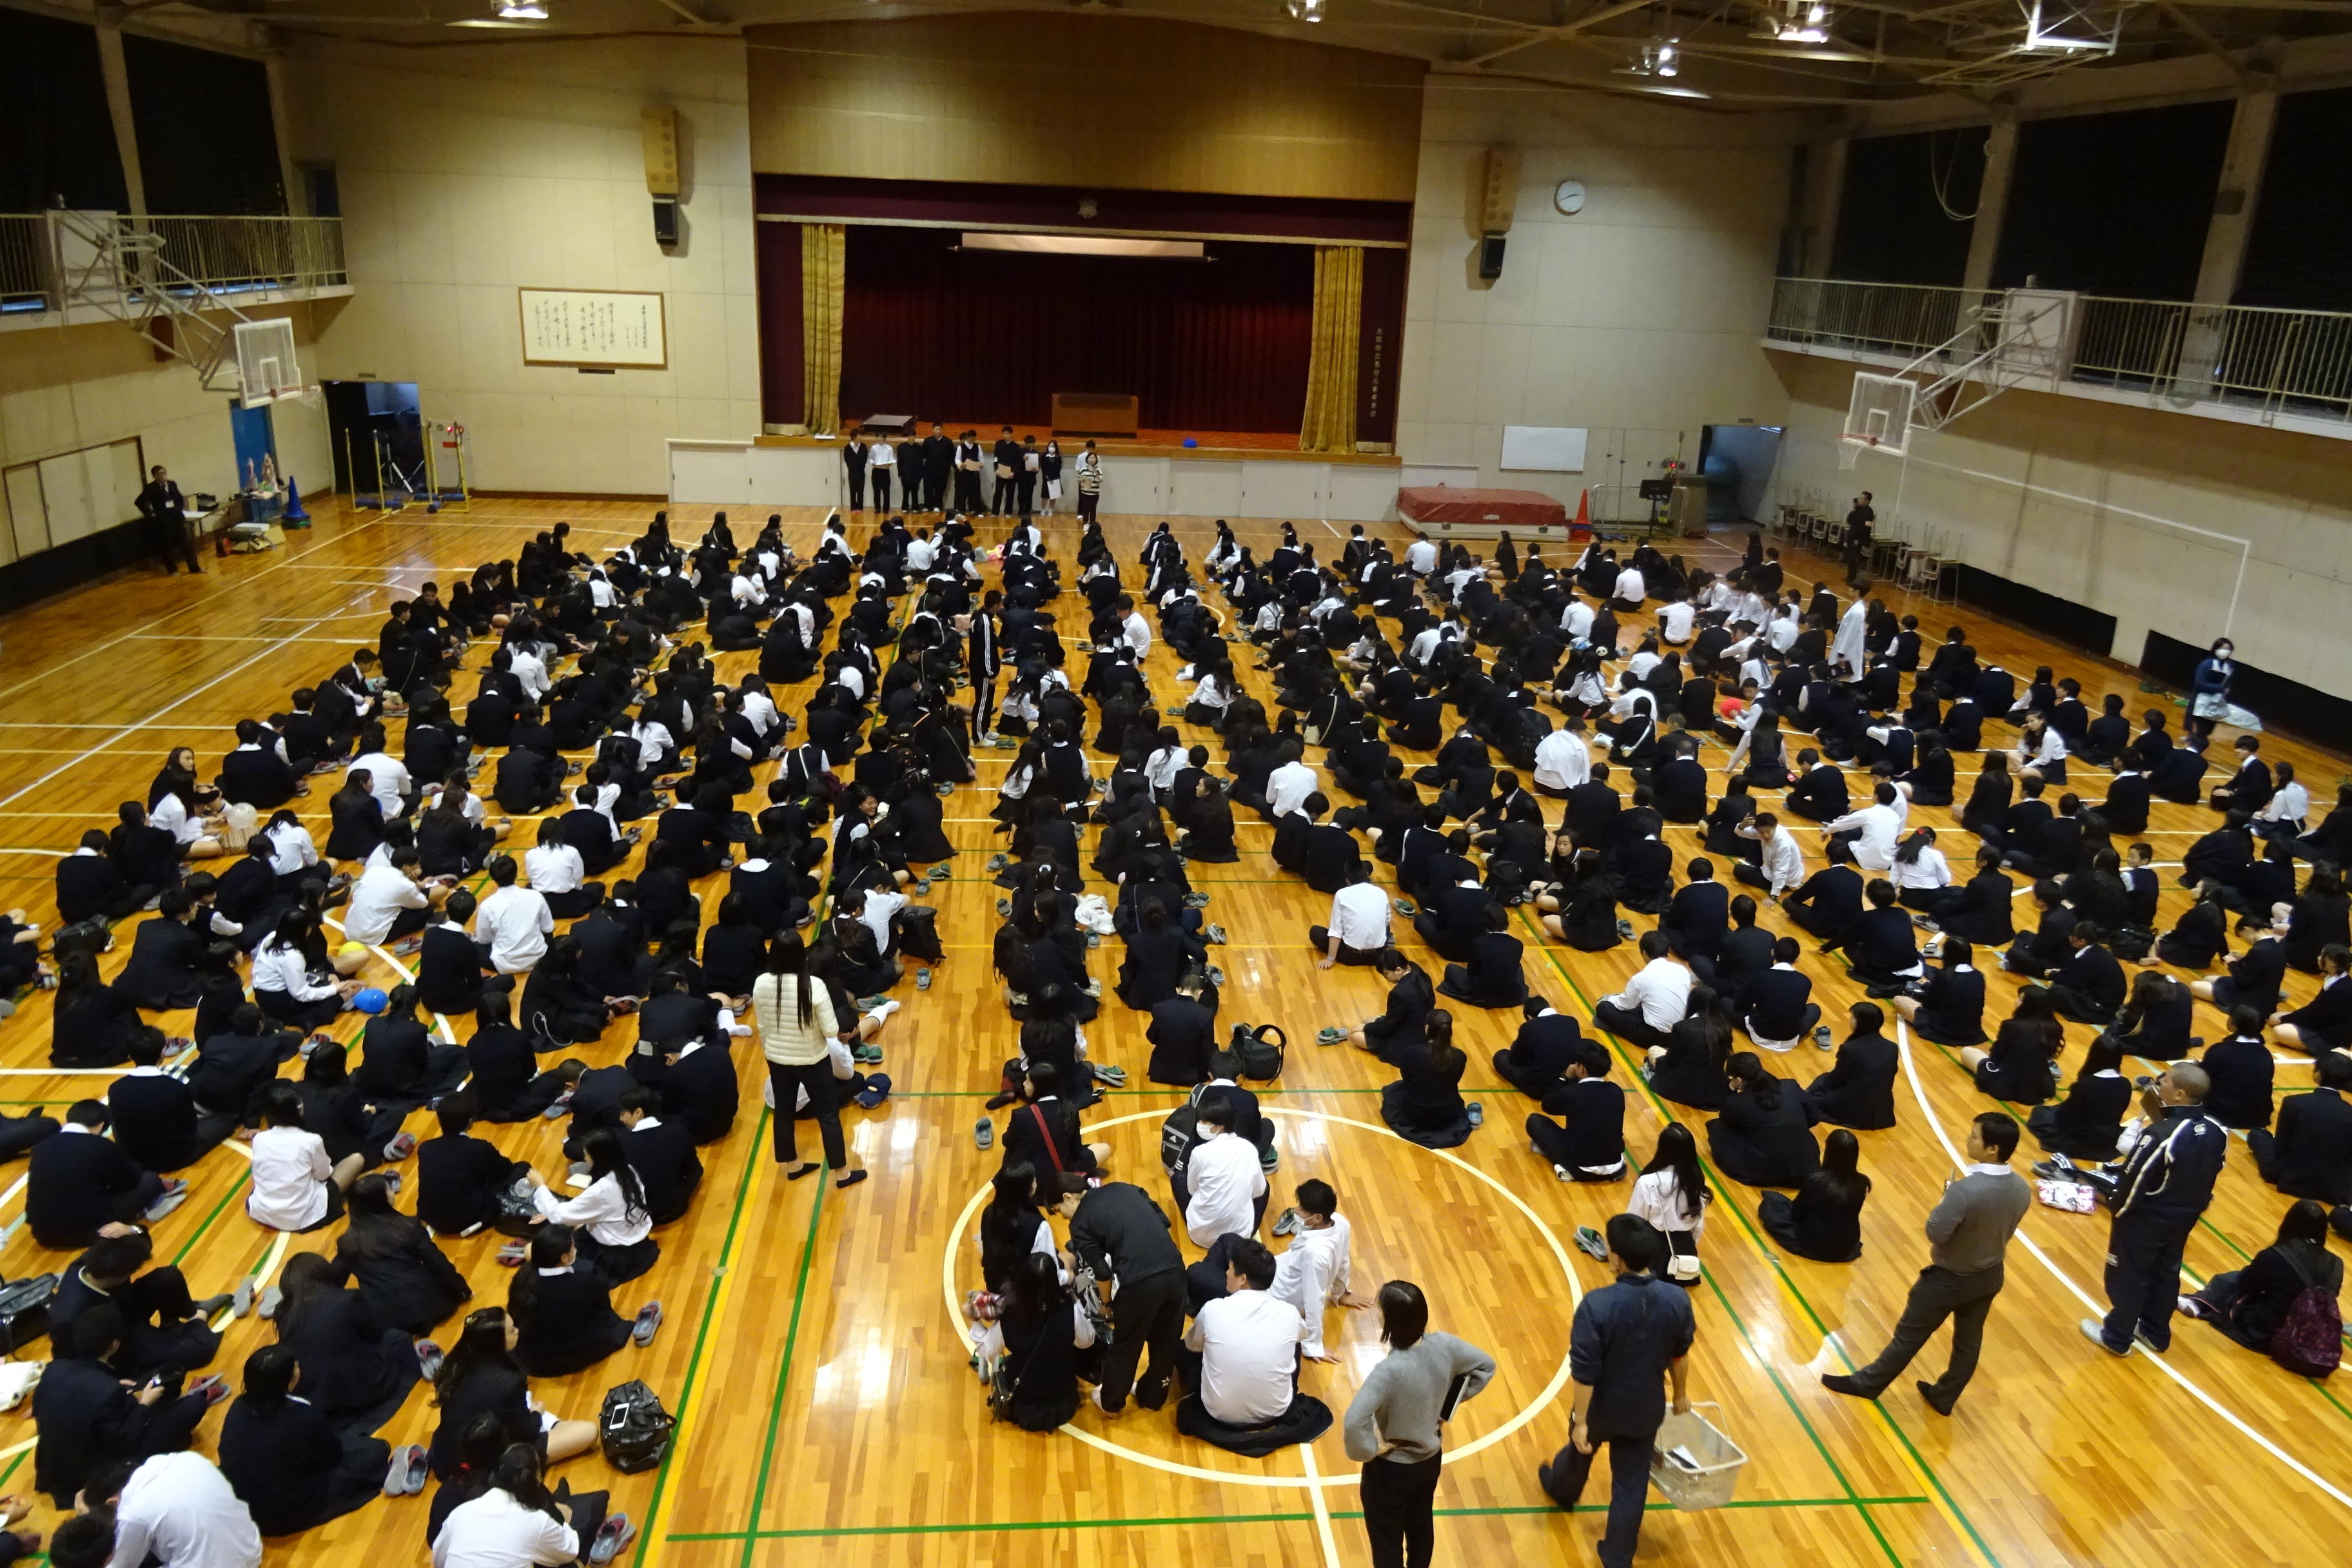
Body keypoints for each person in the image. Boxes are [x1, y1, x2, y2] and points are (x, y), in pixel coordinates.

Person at [1821, 1111, 2030, 1413]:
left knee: (1908, 1337)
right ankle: (1944, 1396)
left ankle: (1867, 1385)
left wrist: (1947, 1199)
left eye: (1974, 1136)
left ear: (1992, 1149)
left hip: (1947, 1280)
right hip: (1989, 1276)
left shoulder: (1965, 1191)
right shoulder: (2022, 1188)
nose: (1968, 1139)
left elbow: (1936, 1232)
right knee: (1968, 1344)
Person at [1536, 1214, 1694, 1568]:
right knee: (1631, 1483)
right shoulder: (1677, 1300)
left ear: (1618, 1258)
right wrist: (1681, 1394)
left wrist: (1580, 1420)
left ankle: (1563, 1491)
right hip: (1645, 1406)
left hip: (1601, 1407)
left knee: (1580, 1449)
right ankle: (1618, 1556)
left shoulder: (1597, 1305)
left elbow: (1584, 1371)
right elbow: (1680, 1354)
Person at [1342, 1281, 1496, 1568]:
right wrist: (1447, 1408)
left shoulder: (1388, 1372)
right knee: (1421, 1525)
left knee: (1386, 1541)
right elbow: (1485, 1366)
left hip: (1390, 1471)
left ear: (1391, 1321)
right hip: (1429, 1461)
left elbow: (1353, 1422)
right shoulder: (1445, 1346)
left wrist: (1370, 1449)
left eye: (1380, 1310)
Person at [2083, 1062, 2228, 1357]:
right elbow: (2214, 1170)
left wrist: (2118, 1212)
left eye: (2165, 1082)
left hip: (2145, 1219)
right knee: (2165, 1273)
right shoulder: (2218, 1132)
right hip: (2183, 1220)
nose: (2158, 1083)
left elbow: (2132, 1180)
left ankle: (2117, 1336)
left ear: (2180, 1094)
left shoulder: (2160, 1135)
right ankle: (2155, 1332)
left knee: (2128, 1275)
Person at [218, 1344, 398, 1536]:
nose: (299, 1367)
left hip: (244, 1508)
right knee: (375, 1451)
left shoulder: (237, 1408)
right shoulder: (302, 1414)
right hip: (288, 1511)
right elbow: (332, 1458)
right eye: (295, 1366)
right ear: (287, 1381)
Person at [1177, 1237, 1332, 1456]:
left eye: (1229, 1270)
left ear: (1242, 1279)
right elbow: (1301, 1337)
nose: (1226, 1275)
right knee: (1293, 1342)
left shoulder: (1214, 1309)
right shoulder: (1289, 1312)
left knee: (1186, 1349)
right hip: (1276, 1412)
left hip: (1218, 1414)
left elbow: (1193, 1347)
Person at [751, 933, 868, 1190]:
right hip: (813, 1060)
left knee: (783, 1112)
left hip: (777, 1058)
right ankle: (842, 1173)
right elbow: (830, 1030)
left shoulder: (760, 983)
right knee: (828, 1116)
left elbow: (762, 1025)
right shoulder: (813, 985)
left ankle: (791, 1166)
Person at [1061, 1181, 1186, 1414]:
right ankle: (1153, 1398)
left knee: (1127, 1345)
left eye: (1059, 1210)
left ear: (1069, 1198)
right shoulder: (1125, 1188)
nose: (1064, 1217)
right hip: (1175, 1270)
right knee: (1167, 1340)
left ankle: (1112, 1402)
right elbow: (1163, 1221)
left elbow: (1103, 1272)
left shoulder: (1080, 1223)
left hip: (1140, 1284)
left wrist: (1106, 1305)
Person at [2181, 1199, 2342, 1363]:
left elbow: (2246, 1286)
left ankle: (2199, 1303)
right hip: (2307, 1336)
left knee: (2230, 1280)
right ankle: (2199, 1303)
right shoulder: (2338, 1264)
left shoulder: (2276, 1255)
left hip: (2263, 1334)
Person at [429, 1442, 630, 1568]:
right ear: (538, 1478)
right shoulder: (535, 1521)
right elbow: (568, 1550)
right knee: (593, 1506)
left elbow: (439, 1560)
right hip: (550, 1528)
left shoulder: (461, 1513)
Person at [28, 1102, 185, 1250]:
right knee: (150, 1180)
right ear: (101, 1125)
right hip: (89, 1232)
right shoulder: (101, 1146)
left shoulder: (43, 1146)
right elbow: (130, 1181)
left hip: (42, 1234)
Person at [79, 1451, 260, 1568]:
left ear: (112, 1502)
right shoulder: (184, 1459)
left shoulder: (133, 1513)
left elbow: (122, 1565)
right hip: (251, 1549)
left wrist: (87, 1519)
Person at [1759, 1127, 1871, 1262]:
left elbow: (1797, 1213)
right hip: (1846, 1246)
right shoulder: (1862, 1182)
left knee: (1773, 1201)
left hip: (1814, 1245)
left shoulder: (1816, 1181)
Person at [1707, 1052, 1819, 1188]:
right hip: (1805, 1165)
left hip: (1766, 1171)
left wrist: (1731, 1090)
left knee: (1717, 1128)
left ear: (1738, 1080)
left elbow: (1726, 1120)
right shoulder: (1790, 1086)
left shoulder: (1737, 1103)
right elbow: (1814, 1115)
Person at [1184, 1088, 1268, 1246]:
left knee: (1177, 1178)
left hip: (1201, 1235)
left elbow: (1192, 1189)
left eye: (1204, 1122)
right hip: (1240, 1235)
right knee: (1264, 1185)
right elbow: (1259, 1190)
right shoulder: (1248, 1148)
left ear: (1220, 1126)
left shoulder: (1199, 1153)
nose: (1199, 1125)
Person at [1803, 1001, 1899, 1130]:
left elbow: (1836, 1079)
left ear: (1859, 1023)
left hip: (1854, 1109)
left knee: (1816, 1092)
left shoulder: (1851, 1048)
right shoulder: (1891, 1048)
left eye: (1853, 1017)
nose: (1850, 1020)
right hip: (1882, 1109)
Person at [137, 464, 202, 576]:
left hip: (176, 518)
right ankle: (172, 570)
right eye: (160, 474)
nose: (163, 475)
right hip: (164, 521)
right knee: (167, 547)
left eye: (164, 473)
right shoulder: (151, 488)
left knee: (185, 544)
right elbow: (139, 502)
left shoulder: (172, 484)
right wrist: (151, 514)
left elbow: (179, 498)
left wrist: (179, 510)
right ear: (155, 476)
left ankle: (194, 568)